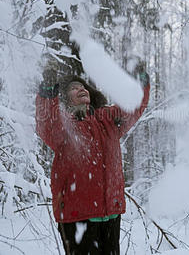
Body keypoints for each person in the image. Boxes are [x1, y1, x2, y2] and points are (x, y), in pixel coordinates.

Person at [35, 65, 150, 255]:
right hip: (77, 216)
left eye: (83, 86)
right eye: (73, 88)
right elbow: (47, 124)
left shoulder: (108, 119)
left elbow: (134, 106)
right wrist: (48, 92)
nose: (81, 89)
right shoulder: (63, 125)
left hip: (110, 215)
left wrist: (139, 82)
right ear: (64, 99)